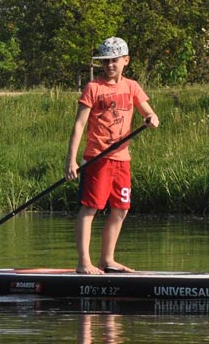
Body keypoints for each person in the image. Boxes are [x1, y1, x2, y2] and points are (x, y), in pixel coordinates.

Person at [66, 36, 159, 275]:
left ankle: (107, 260)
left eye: (114, 60)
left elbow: (149, 112)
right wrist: (72, 160)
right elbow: (79, 125)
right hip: (97, 158)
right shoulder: (93, 88)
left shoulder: (132, 86)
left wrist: (151, 119)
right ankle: (84, 263)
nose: (109, 65)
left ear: (125, 61)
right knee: (90, 208)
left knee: (121, 209)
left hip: (122, 159)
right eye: (105, 61)